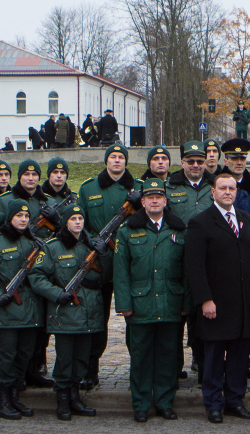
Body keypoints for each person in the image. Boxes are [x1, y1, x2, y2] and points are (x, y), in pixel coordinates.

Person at [185, 170, 250, 422]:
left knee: (239, 355)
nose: (228, 192)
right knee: (214, 357)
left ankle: (235, 401)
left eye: (232, 188)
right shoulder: (200, 222)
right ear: (213, 192)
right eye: (223, 188)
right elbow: (194, 266)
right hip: (214, 303)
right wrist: (205, 299)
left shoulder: (246, 219)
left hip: (242, 303)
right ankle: (214, 403)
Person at [114, 180, 189, 422]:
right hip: (140, 304)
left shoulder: (179, 230)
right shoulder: (126, 231)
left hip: (171, 303)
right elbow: (121, 272)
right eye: (150, 197)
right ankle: (141, 404)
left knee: (168, 356)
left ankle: (165, 402)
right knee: (141, 357)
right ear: (143, 202)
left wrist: (186, 303)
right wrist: (124, 304)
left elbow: (187, 270)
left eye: (159, 197)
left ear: (166, 201)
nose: (155, 200)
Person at [29, 202, 109, 419]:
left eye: (81, 219)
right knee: (65, 359)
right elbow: (36, 277)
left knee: (82, 358)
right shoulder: (53, 247)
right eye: (73, 219)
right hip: (65, 312)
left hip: (88, 312)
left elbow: (104, 276)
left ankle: (75, 397)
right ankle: (62, 400)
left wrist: (105, 254)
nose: (77, 222)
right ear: (65, 222)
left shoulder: (90, 246)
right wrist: (56, 294)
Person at [0, 198, 45, 419]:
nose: (23, 220)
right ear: (9, 218)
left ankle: (15, 397)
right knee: (6, 358)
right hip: (7, 312)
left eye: (25, 217)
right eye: (18, 216)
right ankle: (2, 401)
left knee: (24, 356)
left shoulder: (35, 242)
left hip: (31, 312)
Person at [78, 144, 136, 388]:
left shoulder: (138, 188)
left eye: (121, 157)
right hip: (99, 263)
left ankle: (140, 368)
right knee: (96, 318)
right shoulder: (88, 188)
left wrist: (140, 203)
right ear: (106, 161)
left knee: (135, 319)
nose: (117, 161)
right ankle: (91, 369)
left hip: (131, 264)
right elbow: (77, 221)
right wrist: (90, 240)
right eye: (112, 157)